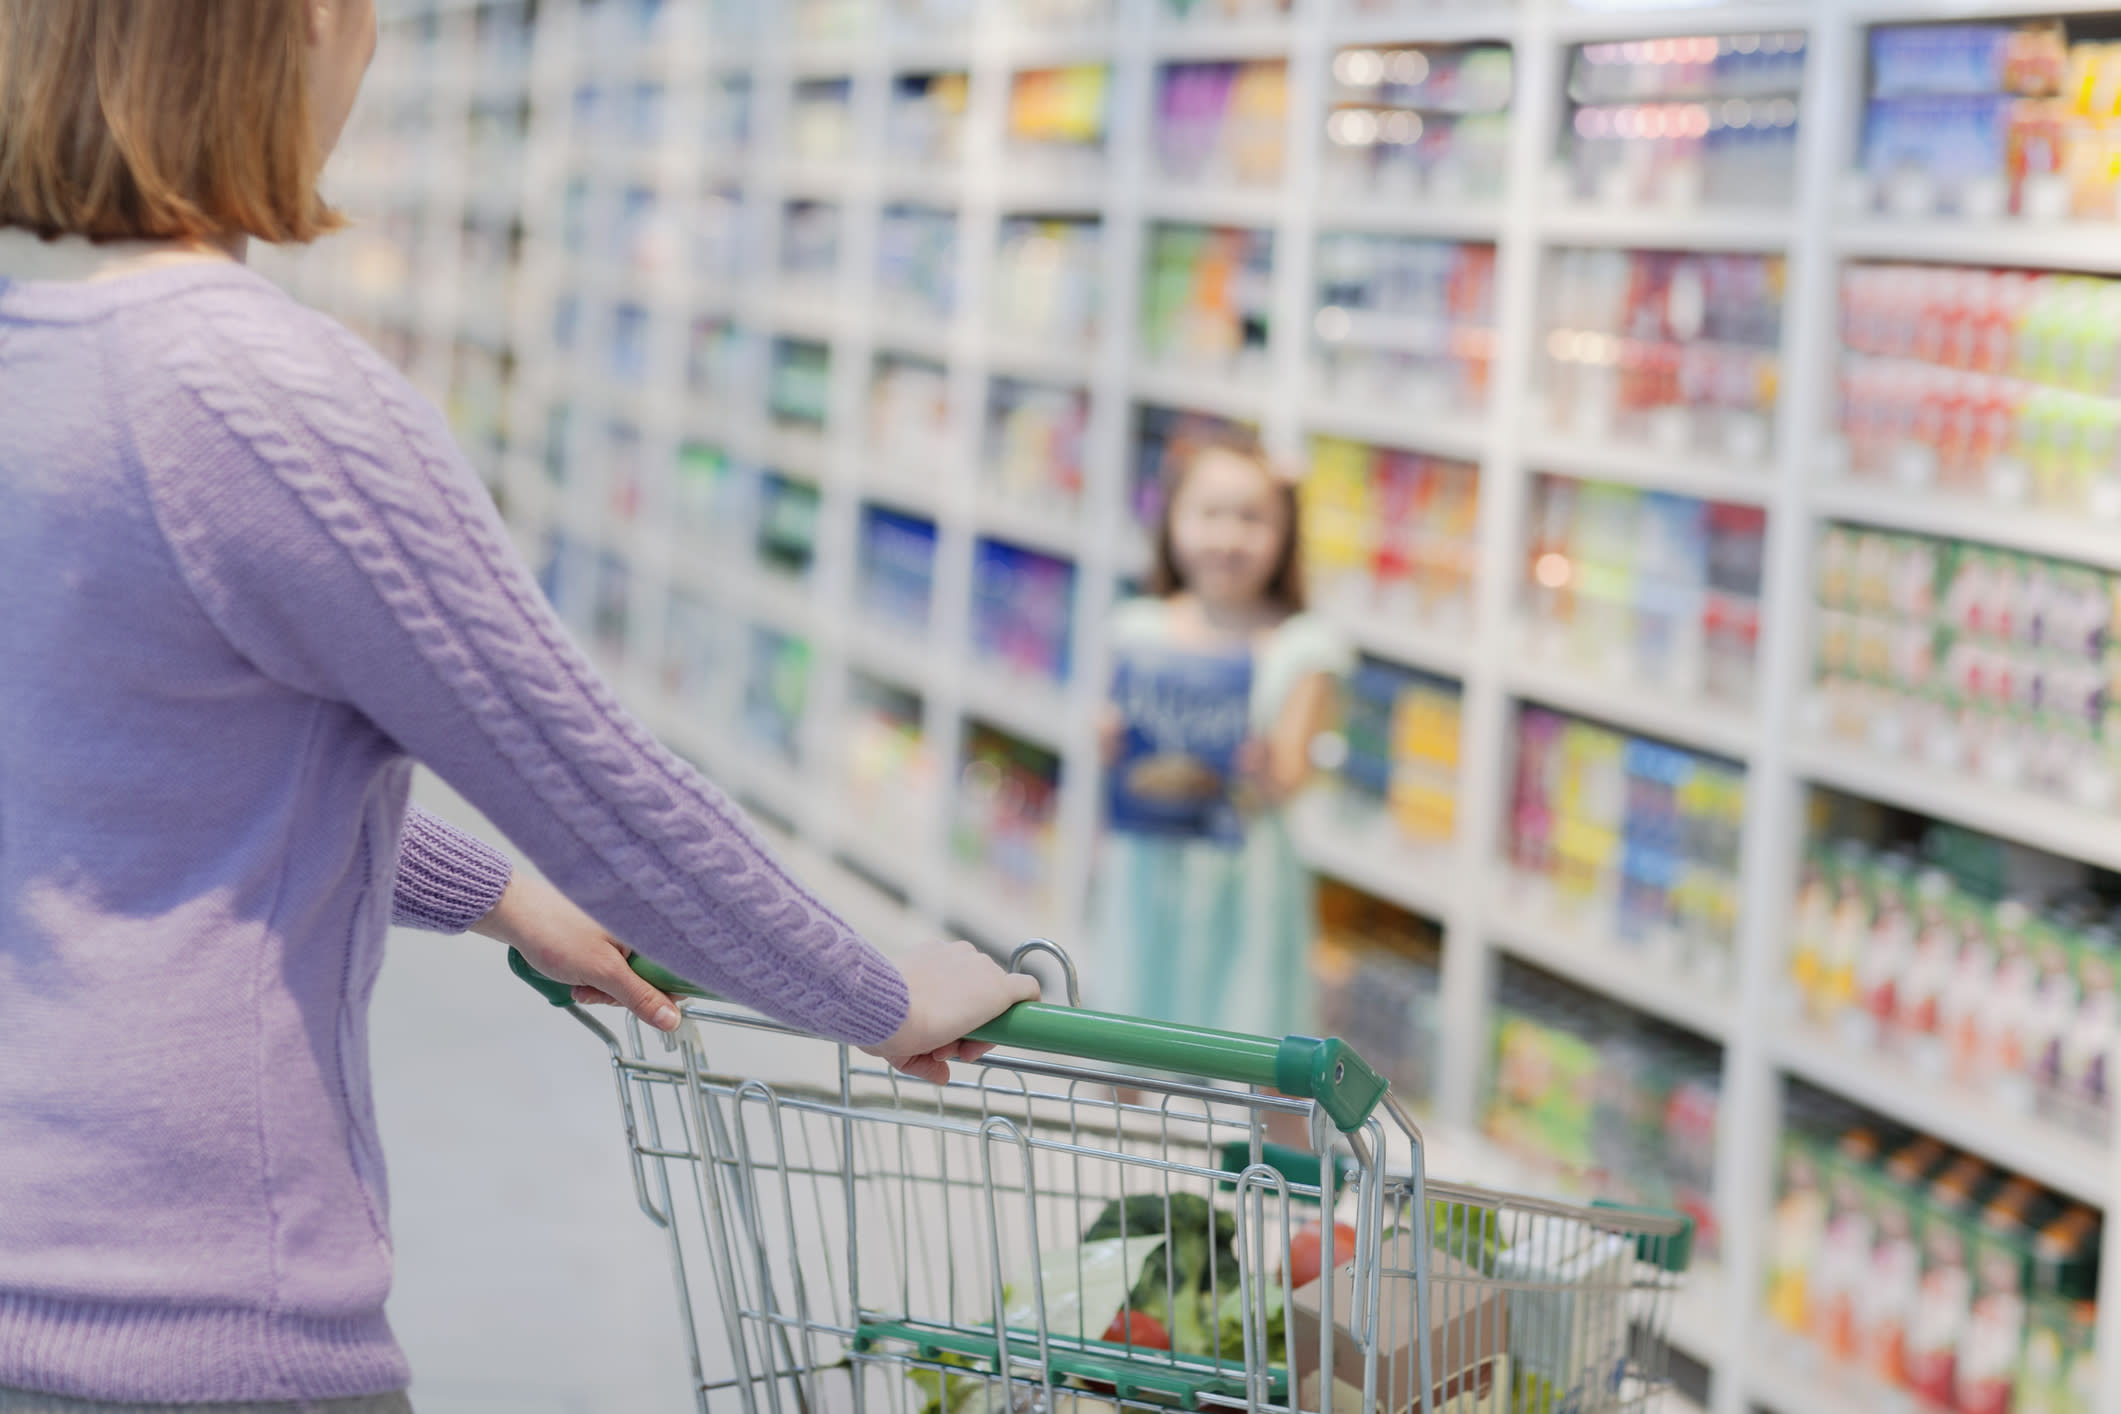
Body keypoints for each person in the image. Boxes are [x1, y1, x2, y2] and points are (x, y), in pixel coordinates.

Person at [0, 2, 1037, 1408]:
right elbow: (608, 798)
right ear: (301, 27)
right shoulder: (261, 397)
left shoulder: (37, 360)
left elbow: (137, 755)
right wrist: (882, 990)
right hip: (194, 1322)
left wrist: (495, 892)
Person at [1095, 436, 1351, 1040]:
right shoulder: (1141, 629)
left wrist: (1264, 766)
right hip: (1150, 875)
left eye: (1252, 519)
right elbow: (1119, 747)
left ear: (1286, 534)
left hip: (1249, 884)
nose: (1228, 537)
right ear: (1172, 521)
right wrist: (1109, 742)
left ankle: (1260, 1142)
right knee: (1127, 1038)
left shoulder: (1301, 647)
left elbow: (1292, 777)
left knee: (1259, 1046)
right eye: (1209, 514)